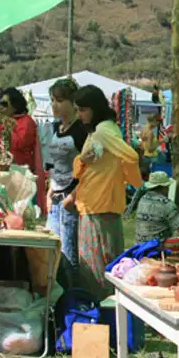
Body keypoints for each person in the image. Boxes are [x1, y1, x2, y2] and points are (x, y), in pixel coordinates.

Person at [73, 85, 142, 299]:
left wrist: (130, 180)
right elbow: (83, 165)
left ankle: (105, 314)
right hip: (95, 203)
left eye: (82, 109)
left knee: (98, 268)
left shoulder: (103, 131)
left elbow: (131, 157)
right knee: (102, 265)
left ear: (93, 108)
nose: (79, 115)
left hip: (99, 205)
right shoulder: (103, 129)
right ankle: (106, 313)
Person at [45, 78, 88, 288]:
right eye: (52, 99)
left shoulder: (81, 130)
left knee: (69, 257)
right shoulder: (58, 128)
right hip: (55, 198)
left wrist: (73, 196)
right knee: (51, 253)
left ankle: (74, 303)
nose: (54, 104)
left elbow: (90, 170)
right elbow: (56, 163)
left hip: (70, 202)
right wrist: (49, 189)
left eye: (59, 100)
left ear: (72, 103)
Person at [0, 87, 46, 214]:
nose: (0, 107)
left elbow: (20, 143)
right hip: (4, 176)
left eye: (4, 104)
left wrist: (5, 123)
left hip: (20, 177)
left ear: (15, 106)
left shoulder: (27, 122)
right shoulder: (0, 123)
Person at [130, 171, 179, 256]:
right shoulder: (166, 204)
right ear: (164, 187)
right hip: (155, 246)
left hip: (140, 244)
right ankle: (176, 260)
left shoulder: (143, 199)